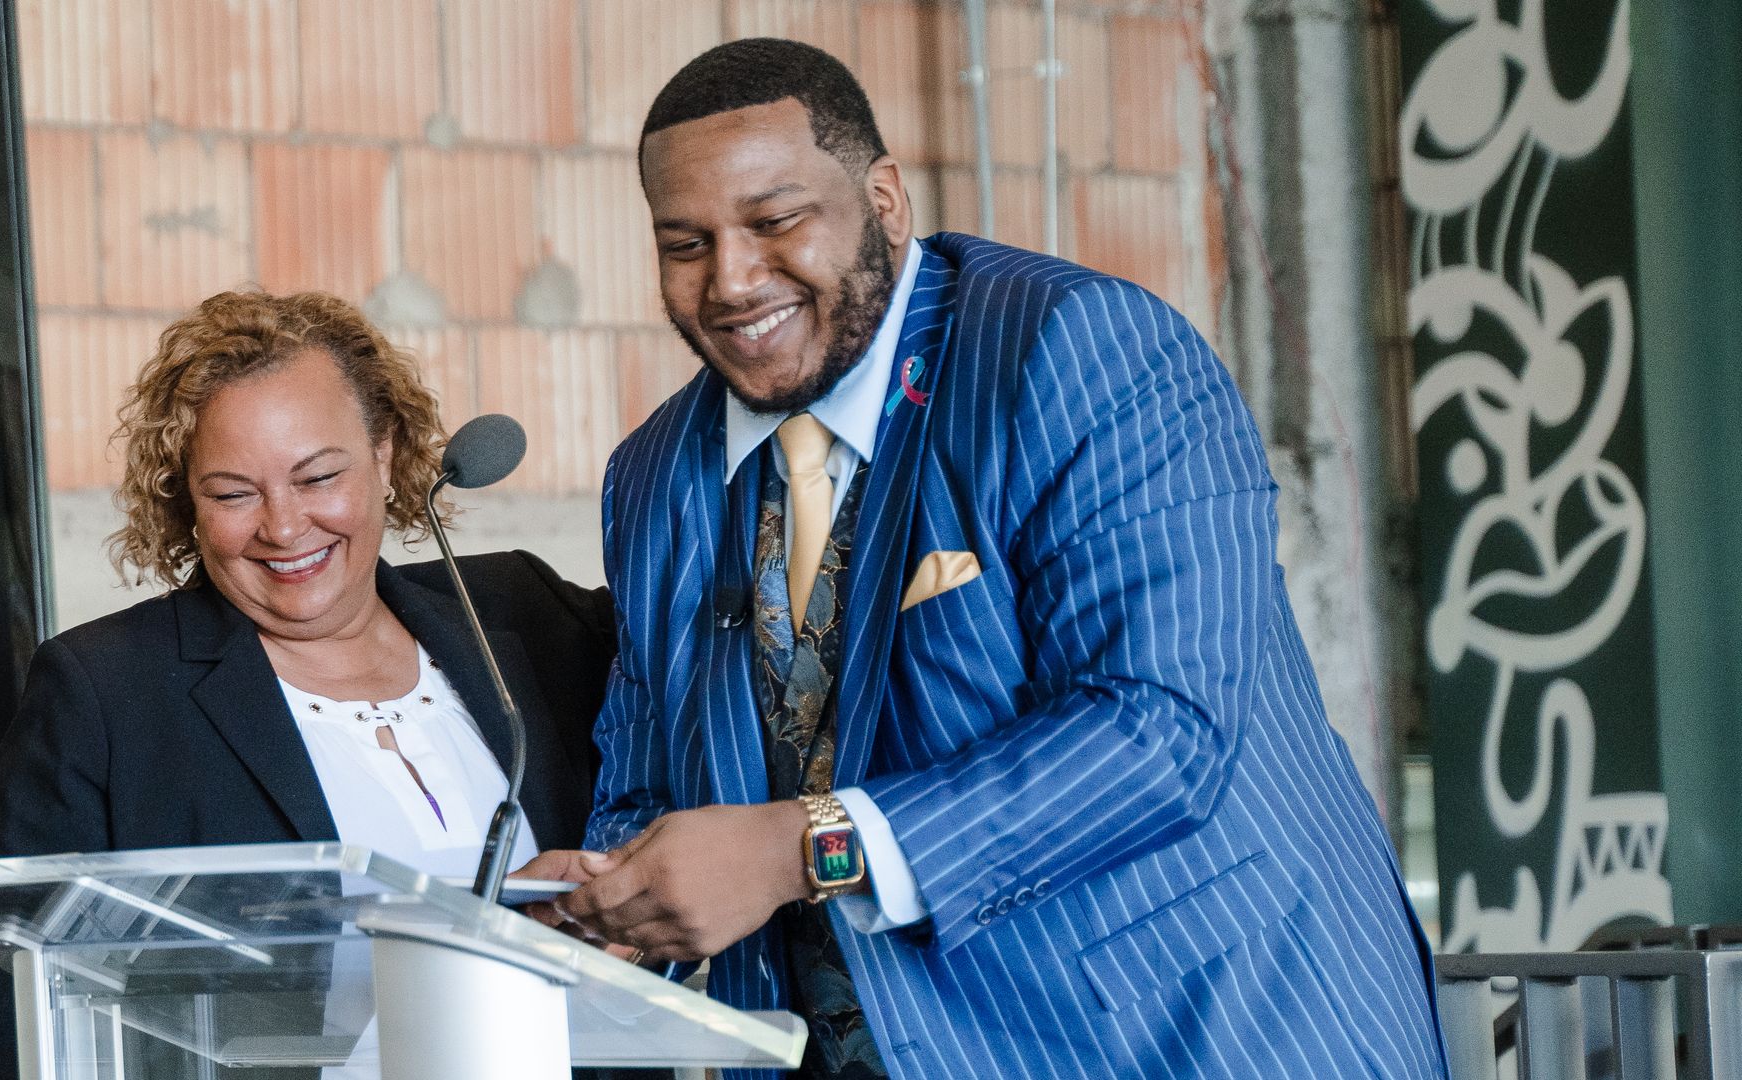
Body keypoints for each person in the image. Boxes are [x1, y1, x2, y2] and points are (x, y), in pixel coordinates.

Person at [519, 38, 1450, 1080]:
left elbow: (1159, 732)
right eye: (685, 243)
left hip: (1197, 1032)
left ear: (884, 201)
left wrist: (799, 847)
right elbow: (649, 777)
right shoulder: (653, 477)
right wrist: (615, 893)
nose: (731, 280)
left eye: (776, 221)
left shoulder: (1083, 352)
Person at [0, 290, 618, 1079]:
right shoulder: (106, 695)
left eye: (318, 476)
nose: (283, 528)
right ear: (186, 502)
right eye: (232, 493)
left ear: (386, 456)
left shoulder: (529, 618)